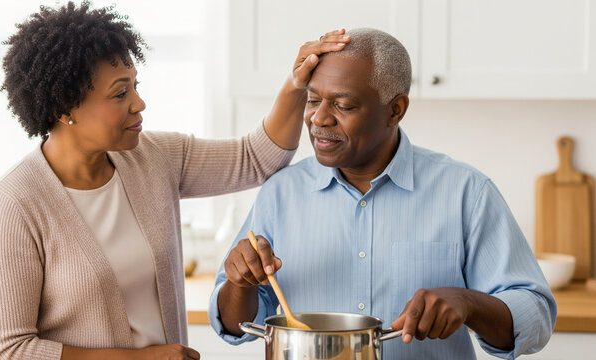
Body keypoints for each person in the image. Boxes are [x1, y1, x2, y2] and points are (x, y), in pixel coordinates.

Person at [0, 1, 350, 359]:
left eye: (135, 85)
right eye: (120, 93)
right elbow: (9, 350)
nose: (139, 103)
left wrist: (297, 83)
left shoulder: (153, 157)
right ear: (64, 108)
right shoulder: (16, 204)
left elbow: (256, 159)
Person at [210, 28, 556, 360]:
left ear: (395, 110)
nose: (319, 118)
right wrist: (240, 283)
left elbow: (535, 314)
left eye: (343, 106)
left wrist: (468, 303)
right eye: (313, 100)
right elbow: (233, 325)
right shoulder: (280, 194)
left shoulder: (466, 192)